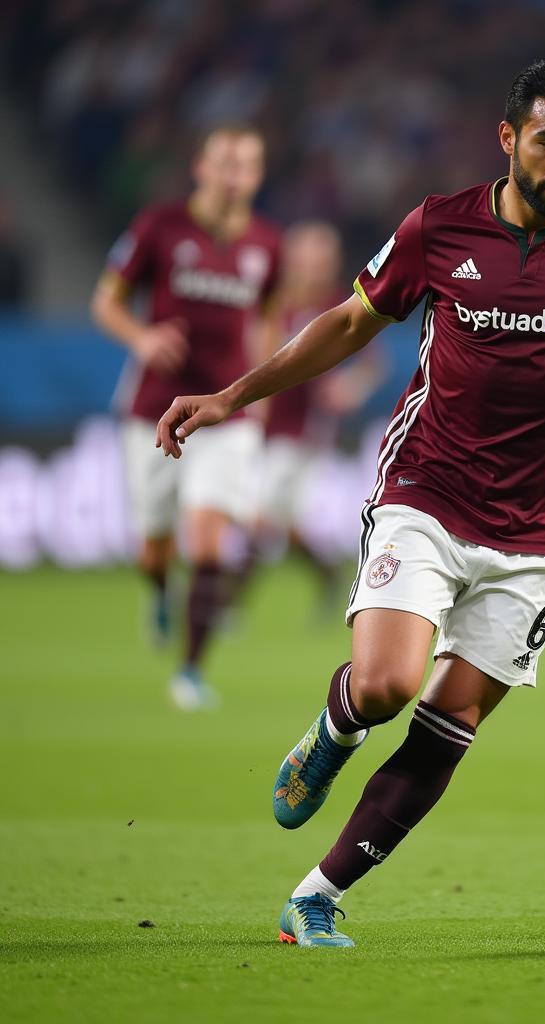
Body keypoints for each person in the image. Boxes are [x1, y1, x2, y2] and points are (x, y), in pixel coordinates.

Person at [156, 59, 545, 946]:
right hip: (429, 493)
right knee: (385, 687)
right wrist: (233, 396)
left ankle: (316, 898)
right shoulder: (437, 228)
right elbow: (347, 322)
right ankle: (334, 730)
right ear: (509, 139)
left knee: (450, 721)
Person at [92, 124, 282, 710]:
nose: (233, 175)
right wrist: (143, 338)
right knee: (154, 545)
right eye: (224, 163)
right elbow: (107, 301)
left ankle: (191, 672)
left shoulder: (267, 244)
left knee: (207, 539)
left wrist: (261, 397)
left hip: (225, 415)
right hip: (153, 408)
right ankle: (157, 590)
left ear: (257, 176)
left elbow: (269, 322)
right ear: (201, 166)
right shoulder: (160, 226)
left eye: (245, 165)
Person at [243, 220, 388, 613]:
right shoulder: (272, 305)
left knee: (260, 516)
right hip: (258, 426)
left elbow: (374, 365)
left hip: (303, 431)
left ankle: (224, 603)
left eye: (320, 260)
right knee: (281, 523)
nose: (312, 268)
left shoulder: (340, 305)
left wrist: (349, 388)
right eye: (305, 259)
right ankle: (329, 576)